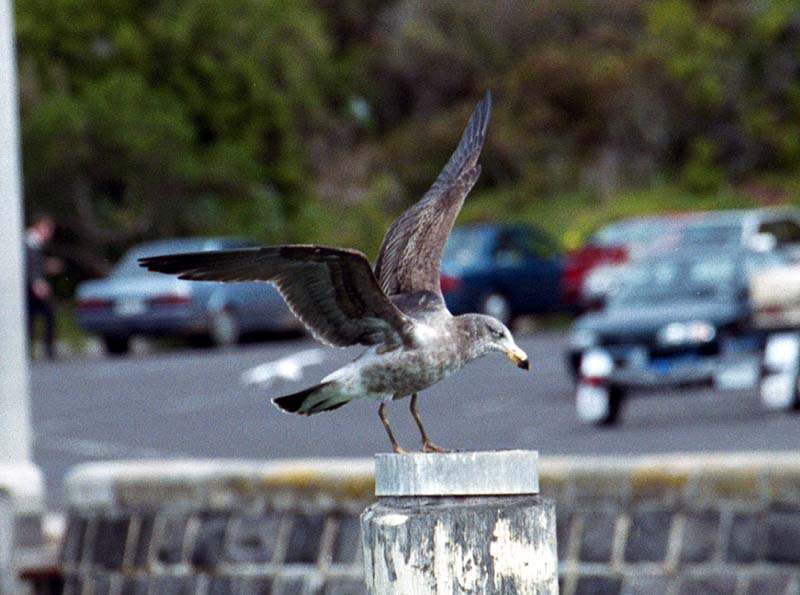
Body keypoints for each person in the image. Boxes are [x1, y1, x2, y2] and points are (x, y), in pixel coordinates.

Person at [26, 214, 57, 360]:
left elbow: (36, 264)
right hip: (30, 287)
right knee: (43, 315)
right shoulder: (30, 241)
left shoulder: (36, 243)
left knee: (37, 316)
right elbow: (30, 263)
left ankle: (42, 349)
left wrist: (46, 266)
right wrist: (37, 281)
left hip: (32, 285)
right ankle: (45, 349)